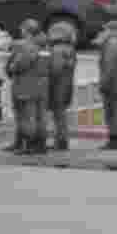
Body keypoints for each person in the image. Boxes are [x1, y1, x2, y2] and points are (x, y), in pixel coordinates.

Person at [4, 18, 50, 155]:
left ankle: (29, 145)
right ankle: (39, 144)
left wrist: (10, 67)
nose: (21, 31)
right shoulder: (44, 46)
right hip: (41, 85)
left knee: (26, 116)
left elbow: (20, 65)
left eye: (22, 29)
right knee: (40, 117)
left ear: (27, 31)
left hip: (26, 85)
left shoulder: (28, 46)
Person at [97, 20, 117, 151]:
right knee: (116, 112)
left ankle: (115, 140)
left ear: (111, 30)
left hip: (112, 84)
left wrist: (103, 83)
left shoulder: (112, 43)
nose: (102, 32)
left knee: (113, 113)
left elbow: (109, 66)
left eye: (105, 30)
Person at [46, 21, 78, 151]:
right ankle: (62, 140)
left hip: (57, 86)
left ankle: (61, 141)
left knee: (58, 115)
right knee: (61, 114)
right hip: (66, 85)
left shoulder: (57, 50)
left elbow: (55, 70)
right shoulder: (71, 50)